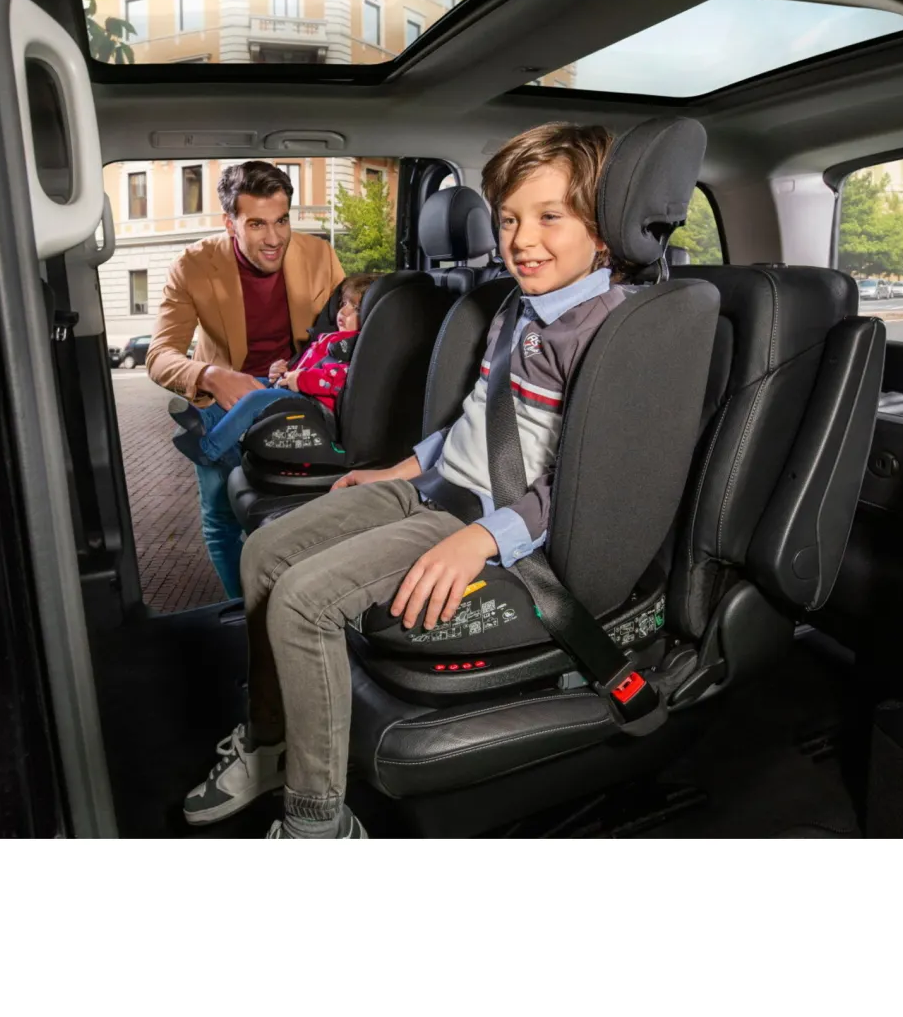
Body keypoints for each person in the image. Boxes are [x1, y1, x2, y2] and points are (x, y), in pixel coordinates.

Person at [183, 123, 639, 839]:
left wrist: (483, 540)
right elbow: (477, 415)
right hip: (433, 484)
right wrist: (402, 466)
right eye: (510, 219)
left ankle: (318, 822)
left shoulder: (610, 333)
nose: (523, 240)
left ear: (602, 230)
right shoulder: (515, 305)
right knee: (262, 552)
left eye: (550, 216)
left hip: (481, 517)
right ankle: (273, 742)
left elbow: (591, 483)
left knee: (302, 601)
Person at [145, 161, 344, 600]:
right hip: (219, 402)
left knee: (298, 514)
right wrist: (210, 375)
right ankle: (243, 611)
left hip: (294, 393)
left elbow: (343, 336)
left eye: (281, 221)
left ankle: (294, 607)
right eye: (256, 224)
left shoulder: (320, 255)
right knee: (221, 517)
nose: (273, 238)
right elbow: (159, 356)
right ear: (229, 222)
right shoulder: (193, 265)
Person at [166, 273, 376, 468]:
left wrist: (300, 379)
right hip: (300, 392)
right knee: (247, 385)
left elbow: (339, 379)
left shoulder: (358, 347)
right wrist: (284, 370)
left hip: (316, 407)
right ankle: (206, 419)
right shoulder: (330, 337)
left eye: (356, 309)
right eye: (344, 304)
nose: (344, 311)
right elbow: (309, 365)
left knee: (255, 398)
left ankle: (209, 450)